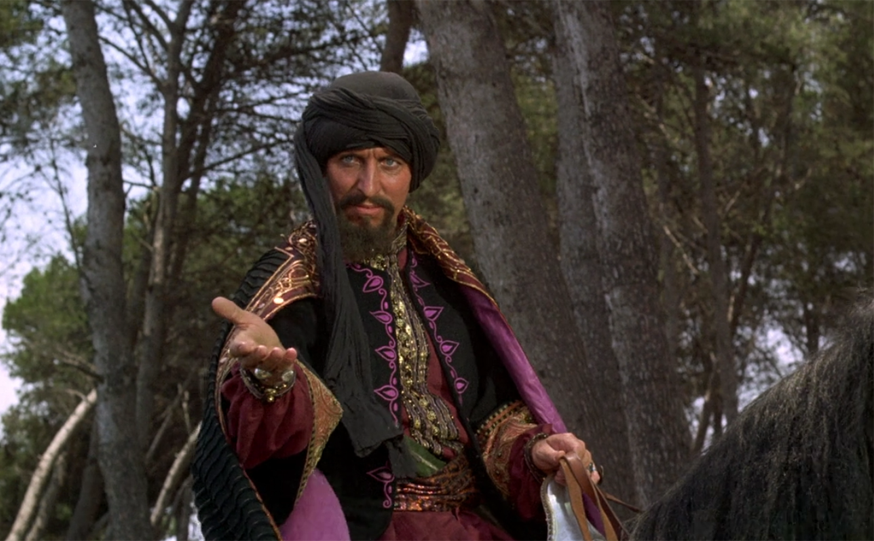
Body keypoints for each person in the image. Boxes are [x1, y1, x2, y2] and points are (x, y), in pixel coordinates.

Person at [191, 71, 602, 541]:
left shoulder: (446, 281)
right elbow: (264, 448)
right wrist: (271, 379)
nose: (368, 185)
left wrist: (535, 453)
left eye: (389, 162)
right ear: (320, 168)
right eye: (350, 160)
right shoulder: (288, 285)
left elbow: (494, 423)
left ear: (411, 174)